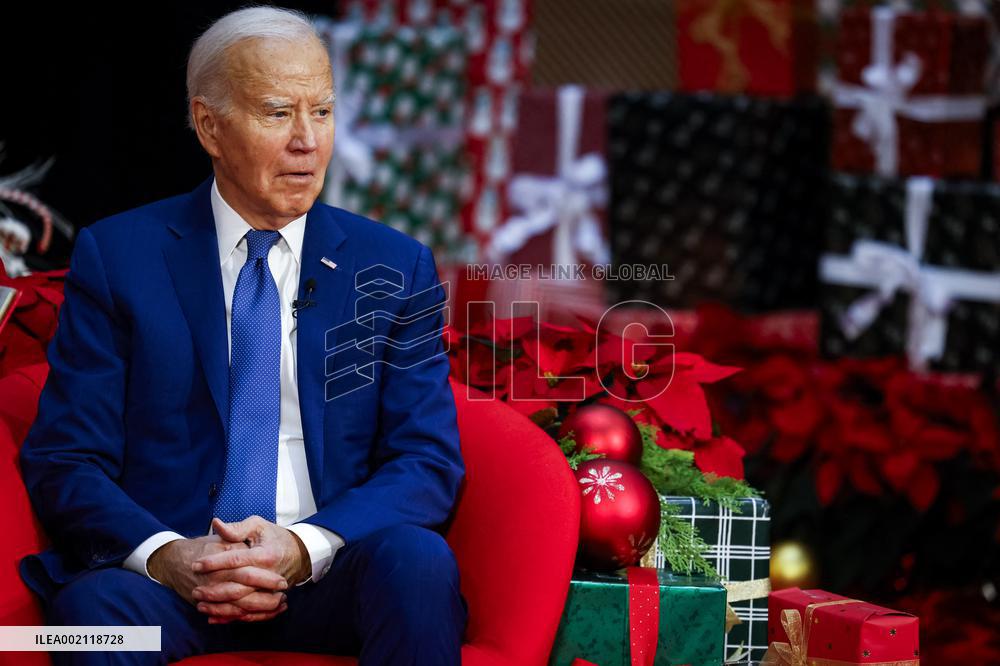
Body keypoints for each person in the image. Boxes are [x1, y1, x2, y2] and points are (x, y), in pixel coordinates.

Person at [18, 6, 467, 665]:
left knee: (418, 561)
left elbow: (426, 461)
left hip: (327, 575)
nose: (308, 141)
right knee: (86, 619)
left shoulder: (391, 267)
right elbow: (66, 459)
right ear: (209, 125)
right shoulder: (119, 258)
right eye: (279, 112)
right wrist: (169, 556)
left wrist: (303, 546)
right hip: (171, 588)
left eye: (323, 111)